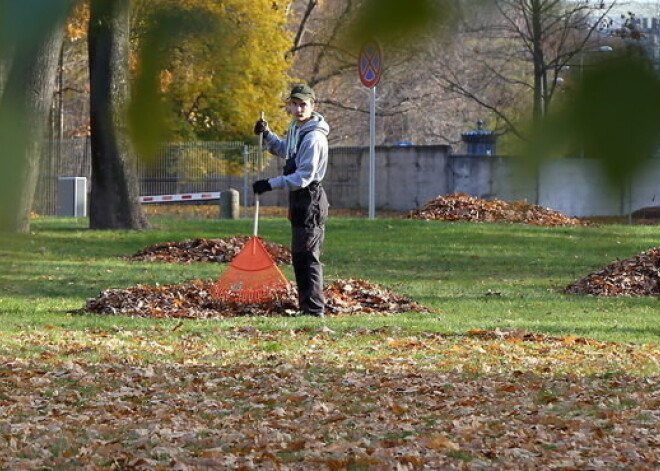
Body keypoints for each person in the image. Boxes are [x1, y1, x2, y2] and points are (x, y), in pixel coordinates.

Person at [252, 84, 329, 317]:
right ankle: (305, 307)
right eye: (294, 104)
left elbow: (304, 177)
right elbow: (286, 150)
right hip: (297, 199)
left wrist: (270, 184)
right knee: (299, 255)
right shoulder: (297, 128)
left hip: (310, 199)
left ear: (312, 106)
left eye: (303, 104)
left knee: (308, 257)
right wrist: (268, 135)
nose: (298, 109)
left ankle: (314, 310)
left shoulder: (314, 137)